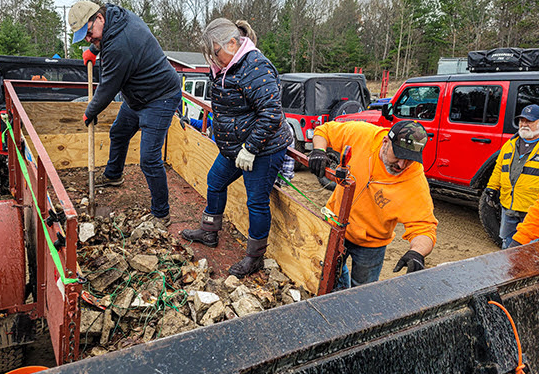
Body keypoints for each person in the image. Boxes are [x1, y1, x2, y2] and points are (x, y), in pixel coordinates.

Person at [181, 18, 292, 278]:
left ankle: (255, 258)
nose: (214, 59)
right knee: (215, 180)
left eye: (216, 52)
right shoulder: (226, 64)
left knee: (256, 201)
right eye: (210, 54)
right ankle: (209, 232)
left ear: (232, 42)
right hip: (235, 146)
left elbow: (271, 113)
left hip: (264, 147)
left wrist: (251, 148)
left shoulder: (256, 66)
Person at [68, 1, 182, 226]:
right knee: (119, 132)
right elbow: (103, 43)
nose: (89, 39)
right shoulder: (115, 17)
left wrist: (89, 113)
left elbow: (108, 88)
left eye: (89, 34)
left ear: (99, 19)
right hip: (137, 96)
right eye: (85, 37)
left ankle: (162, 214)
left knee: (149, 160)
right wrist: (93, 50)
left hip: (160, 98)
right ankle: (113, 175)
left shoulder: (120, 44)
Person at [308, 120, 438, 290]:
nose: (401, 165)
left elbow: (424, 226)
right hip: (334, 226)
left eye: (408, 160)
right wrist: (318, 150)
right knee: (329, 277)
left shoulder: (413, 181)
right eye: (398, 155)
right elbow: (324, 130)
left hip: (371, 244)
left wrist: (417, 252)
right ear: (386, 142)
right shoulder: (364, 135)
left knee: (363, 291)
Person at [485, 104, 539, 249]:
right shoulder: (510, 144)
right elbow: (499, 168)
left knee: (528, 249)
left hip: (531, 210)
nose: (524, 124)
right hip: (508, 205)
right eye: (522, 121)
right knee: (507, 243)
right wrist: (491, 188)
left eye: (529, 121)